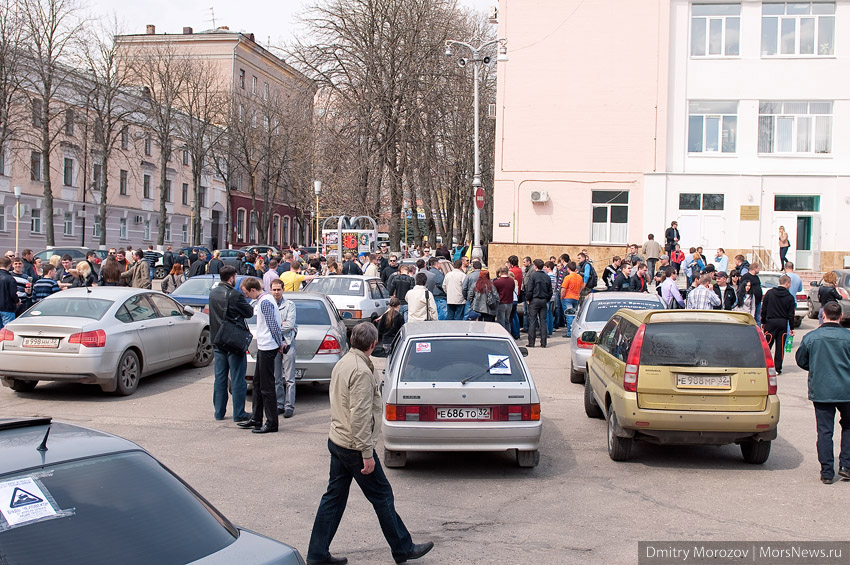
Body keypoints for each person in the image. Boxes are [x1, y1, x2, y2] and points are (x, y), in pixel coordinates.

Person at [306, 323, 434, 565]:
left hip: (339, 440)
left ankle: (317, 553)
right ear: (373, 345)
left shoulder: (345, 362)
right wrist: (366, 453)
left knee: (334, 497)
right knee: (382, 495)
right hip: (354, 445)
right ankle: (402, 547)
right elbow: (360, 415)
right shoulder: (361, 372)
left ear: (352, 339)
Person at [795, 301, 850, 485]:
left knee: (824, 431)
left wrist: (816, 367)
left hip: (822, 389)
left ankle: (827, 472)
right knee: (848, 427)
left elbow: (801, 361)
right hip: (846, 390)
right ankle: (846, 466)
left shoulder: (812, 337)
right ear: (840, 316)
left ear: (823, 315)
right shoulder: (848, 337)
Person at [209, 266, 254, 423]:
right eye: (235, 277)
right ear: (231, 278)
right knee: (237, 378)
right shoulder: (234, 295)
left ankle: (219, 412)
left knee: (220, 378)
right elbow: (249, 312)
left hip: (218, 339)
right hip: (233, 341)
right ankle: (239, 413)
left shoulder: (213, 293)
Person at [238, 277, 283, 434]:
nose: (246, 296)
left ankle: (271, 422)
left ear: (252, 290)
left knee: (266, 386)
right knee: (257, 384)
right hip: (265, 345)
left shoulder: (264, 302)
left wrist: (280, 344)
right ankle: (256, 417)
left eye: (246, 293)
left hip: (268, 346)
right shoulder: (264, 300)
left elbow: (273, 325)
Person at [270, 279, 297, 419]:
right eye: (274, 290)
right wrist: (281, 326)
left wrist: (277, 327)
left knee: (290, 378)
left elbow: (290, 324)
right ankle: (279, 404)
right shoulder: (268, 304)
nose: (276, 292)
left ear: (283, 290)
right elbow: (267, 325)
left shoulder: (290, 305)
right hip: (273, 345)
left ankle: (289, 406)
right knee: (276, 377)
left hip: (288, 343)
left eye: (278, 289)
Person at [761, 274, 796, 374]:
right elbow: (791, 314)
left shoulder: (770, 293)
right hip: (782, 323)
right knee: (780, 347)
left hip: (770, 322)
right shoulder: (789, 297)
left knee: (767, 345)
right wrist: (791, 327)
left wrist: (763, 321)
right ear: (787, 283)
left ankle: (764, 365)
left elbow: (764, 308)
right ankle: (777, 368)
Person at [526, 259, 552, 348]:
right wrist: (546, 299)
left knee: (532, 321)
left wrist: (528, 299)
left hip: (534, 299)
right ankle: (543, 342)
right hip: (543, 300)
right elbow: (550, 291)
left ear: (535, 266)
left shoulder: (532, 276)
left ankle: (531, 342)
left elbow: (529, 289)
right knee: (543, 321)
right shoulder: (547, 277)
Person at [560, 262, 583, 337]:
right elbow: (581, 287)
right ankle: (574, 332)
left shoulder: (568, 277)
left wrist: (561, 297)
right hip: (576, 297)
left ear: (568, 269)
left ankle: (570, 332)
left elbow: (563, 289)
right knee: (574, 315)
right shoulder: (579, 277)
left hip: (568, 297)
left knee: (569, 315)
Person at [493, 267, 515, 331]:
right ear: (507, 272)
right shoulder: (512, 281)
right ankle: (508, 334)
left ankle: (502, 334)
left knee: (501, 321)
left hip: (501, 303)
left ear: (500, 273)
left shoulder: (497, 282)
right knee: (507, 321)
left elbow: (494, 293)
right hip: (510, 302)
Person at [0, 257, 18, 329]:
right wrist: (17, 301)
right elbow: (13, 294)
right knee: (7, 330)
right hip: (7, 308)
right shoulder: (10, 278)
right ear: (9, 265)